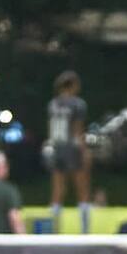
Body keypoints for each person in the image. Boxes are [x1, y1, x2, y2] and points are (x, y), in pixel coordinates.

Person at [46, 71, 92, 233]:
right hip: (72, 148)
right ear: (72, 85)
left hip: (57, 146)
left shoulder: (53, 104)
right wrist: (84, 151)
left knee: (58, 189)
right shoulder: (77, 104)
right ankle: (85, 228)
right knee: (82, 188)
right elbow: (77, 129)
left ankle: (54, 225)